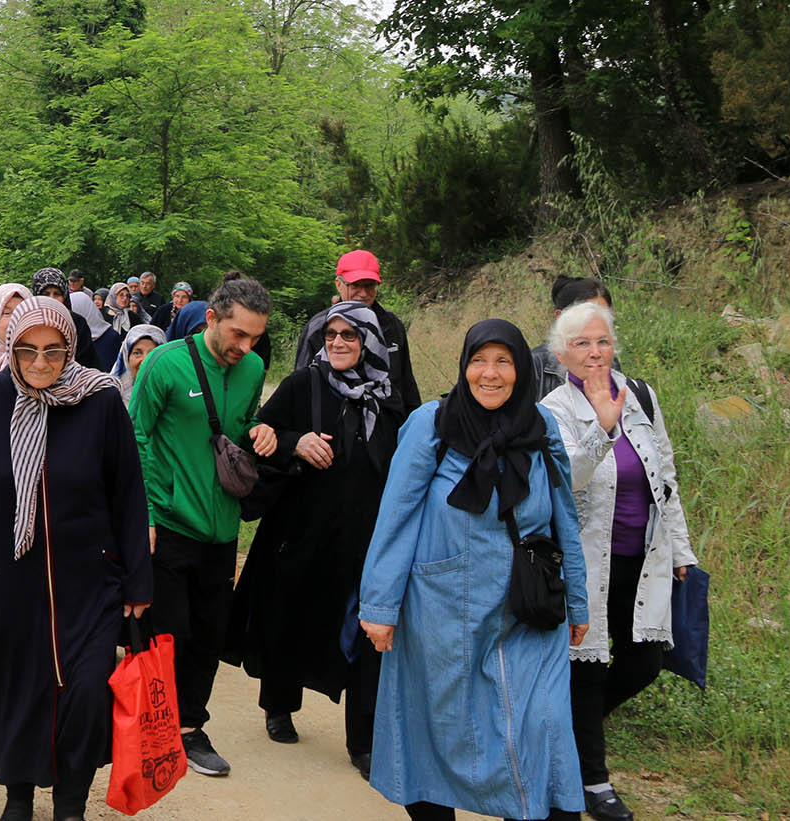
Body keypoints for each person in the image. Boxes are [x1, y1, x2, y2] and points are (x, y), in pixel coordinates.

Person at [0, 297, 152, 821]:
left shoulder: (100, 401)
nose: (41, 363)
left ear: (70, 348)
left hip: (91, 584)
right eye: (27, 351)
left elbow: (127, 494)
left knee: (86, 696)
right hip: (9, 585)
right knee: (20, 694)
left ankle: (71, 804)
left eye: (53, 351)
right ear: (11, 348)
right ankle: (19, 796)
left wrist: (138, 581)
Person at [358, 319, 590, 821]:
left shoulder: (542, 427)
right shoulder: (431, 424)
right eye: (478, 361)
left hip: (527, 609)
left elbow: (564, 517)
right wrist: (380, 606)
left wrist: (578, 601)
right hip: (442, 611)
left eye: (503, 361)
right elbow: (396, 516)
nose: (490, 374)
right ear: (464, 368)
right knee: (437, 730)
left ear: (521, 370)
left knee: (540, 726)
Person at [227, 301, 413, 776]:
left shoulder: (391, 401)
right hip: (301, 530)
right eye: (330, 335)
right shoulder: (302, 385)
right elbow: (257, 434)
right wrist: (294, 442)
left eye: (350, 335)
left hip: (366, 539)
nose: (338, 343)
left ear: (369, 341)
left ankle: (363, 739)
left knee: (366, 632)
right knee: (291, 615)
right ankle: (278, 703)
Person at [541, 300, 697, 821]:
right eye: (581, 343)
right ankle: (593, 780)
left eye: (602, 341)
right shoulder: (555, 407)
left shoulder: (640, 396)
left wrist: (681, 548)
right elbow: (567, 478)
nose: (594, 352)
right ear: (562, 352)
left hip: (644, 557)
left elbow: (666, 475)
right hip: (586, 562)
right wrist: (602, 431)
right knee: (586, 671)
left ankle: (563, 735)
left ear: (615, 346)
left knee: (643, 664)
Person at [128, 275, 279, 778]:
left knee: (210, 634)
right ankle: (159, 725)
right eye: (238, 334)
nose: (246, 346)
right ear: (211, 318)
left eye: (254, 336)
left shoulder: (254, 367)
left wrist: (259, 428)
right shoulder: (164, 363)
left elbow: (240, 425)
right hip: (170, 524)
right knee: (169, 632)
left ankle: (190, 727)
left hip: (223, 528)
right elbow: (138, 436)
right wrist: (146, 513)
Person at [295, 250, 421, 410]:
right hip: (334, 422)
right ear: (338, 284)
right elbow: (302, 385)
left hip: (388, 422)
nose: (363, 293)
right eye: (355, 285)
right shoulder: (318, 328)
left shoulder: (391, 325)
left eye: (369, 286)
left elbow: (406, 382)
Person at [532, 276, 617, 398]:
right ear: (560, 316)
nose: (596, 318)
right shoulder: (536, 364)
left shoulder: (611, 362)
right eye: (585, 313)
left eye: (603, 313)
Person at [33, 267, 101, 368]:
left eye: (57, 294)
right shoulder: (29, 324)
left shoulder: (77, 323)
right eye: (45, 294)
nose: (52, 299)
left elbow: (89, 363)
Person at [109, 322, 165, 405]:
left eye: (153, 354)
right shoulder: (110, 398)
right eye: (137, 353)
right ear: (126, 358)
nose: (145, 361)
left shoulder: (175, 395)